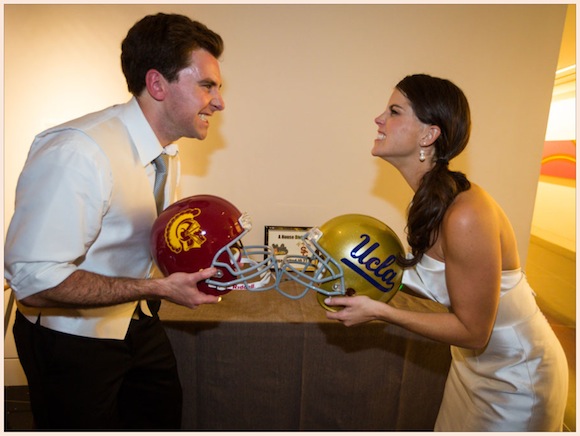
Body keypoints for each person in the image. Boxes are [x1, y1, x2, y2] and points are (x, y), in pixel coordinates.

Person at [4, 13, 225, 430]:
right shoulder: (78, 151)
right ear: (157, 84)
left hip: (137, 321)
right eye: (207, 85)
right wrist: (157, 288)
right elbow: (34, 279)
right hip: (69, 342)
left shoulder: (167, 153)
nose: (219, 102)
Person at [324, 74, 568, 431]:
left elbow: (474, 331)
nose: (379, 119)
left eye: (394, 111)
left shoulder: (466, 214)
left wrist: (381, 312)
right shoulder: (431, 202)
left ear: (429, 135)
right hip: (469, 367)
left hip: (516, 377)